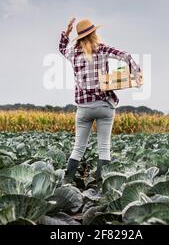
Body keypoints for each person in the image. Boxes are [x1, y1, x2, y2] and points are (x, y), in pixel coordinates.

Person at [58, 17, 142, 184]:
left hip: (83, 108)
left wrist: (66, 32)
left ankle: (66, 182)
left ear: (80, 37)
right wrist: (136, 74)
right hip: (104, 105)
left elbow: (61, 48)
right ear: (94, 33)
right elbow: (125, 55)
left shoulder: (72, 53)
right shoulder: (102, 49)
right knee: (104, 148)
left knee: (78, 148)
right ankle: (102, 186)